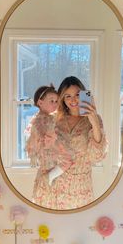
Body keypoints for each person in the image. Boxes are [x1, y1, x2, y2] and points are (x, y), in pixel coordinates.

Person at [32, 76, 108, 210]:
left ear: (84, 95)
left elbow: (97, 156)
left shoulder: (94, 120)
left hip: (79, 189)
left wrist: (94, 122)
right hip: (52, 185)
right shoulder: (53, 119)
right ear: (62, 99)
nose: (73, 100)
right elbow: (39, 149)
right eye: (67, 96)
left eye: (78, 94)